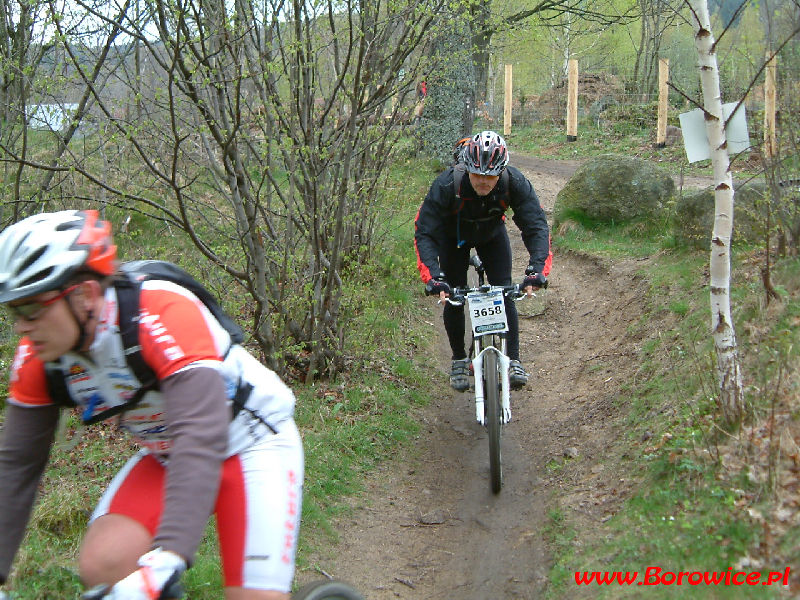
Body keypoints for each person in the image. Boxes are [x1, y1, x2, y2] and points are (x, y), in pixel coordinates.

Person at [0, 210, 303, 600]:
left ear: (84, 294)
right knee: (105, 564)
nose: (22, 326)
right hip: (169, 456)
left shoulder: (161, 311)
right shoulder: (39, 357)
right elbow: (16, 465)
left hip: (253, 443)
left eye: (32, 308)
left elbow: (199, 432)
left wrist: (169, 555)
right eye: (13, 311)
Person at [414, 130, 551, 392]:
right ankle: (458, 359)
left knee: (504, 290)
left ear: (501, 171)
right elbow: (425, 231)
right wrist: (433, 276)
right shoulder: (445, 185)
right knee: (452, 294)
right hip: (453, 238)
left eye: (490, 176)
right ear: (466, 168)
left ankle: (513, 359)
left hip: (491, 235)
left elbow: (536, 226)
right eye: (477, 174)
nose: (483, 182)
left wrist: (536, 269)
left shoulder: (514, 182)